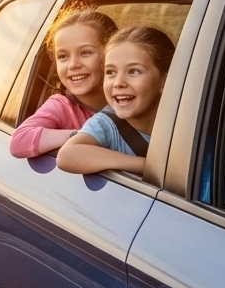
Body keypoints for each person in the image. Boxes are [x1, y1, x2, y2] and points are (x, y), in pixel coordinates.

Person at [57, 26, 175, 176]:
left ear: (164, 80)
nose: (118, 83)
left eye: (134, 71)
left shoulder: (189, 120)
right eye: (111, 72)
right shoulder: (107, 124)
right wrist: (146, 166)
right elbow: (67, 155)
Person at [10, 8, 116, 158]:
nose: (73, 64)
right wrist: (87, 136)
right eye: (63, 56)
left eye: (85, 53)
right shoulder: (62, 107)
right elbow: (19, 141)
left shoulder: (129, 98)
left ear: (111, 54)